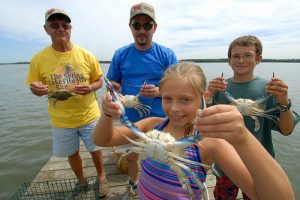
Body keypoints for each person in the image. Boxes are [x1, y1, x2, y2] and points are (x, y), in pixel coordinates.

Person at [94, 62, 295, 200]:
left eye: (185, 99)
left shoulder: (209, 143)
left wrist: (243, 139)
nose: (174, 108)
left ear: (203, 98)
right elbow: (104, 139)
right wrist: (108, 114)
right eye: (167, 98)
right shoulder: (150, 125)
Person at [26, 8, 108, 198]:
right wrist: (36, 89)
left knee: (95, 149)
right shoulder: (38, 59)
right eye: (54, 25)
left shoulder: (86, 55)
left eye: (65, 25)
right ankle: (81, 181)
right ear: (46, 29)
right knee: (72, 153)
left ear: (70, 28)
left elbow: (99, 80)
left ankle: (102, 176)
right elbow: (34, 85)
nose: (60, 28)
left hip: (89, 114)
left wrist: (89, 88)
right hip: (61, 120)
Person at [207, 35, 299, 200]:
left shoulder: (269, 90)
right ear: (229, 61)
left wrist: (284, 101)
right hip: (225, 164)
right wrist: (207, 96)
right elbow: (203, 125)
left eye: (247, 55)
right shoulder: (220, 89)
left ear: (258, 59)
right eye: (236, 56)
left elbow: (286, 130)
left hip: (258, 164)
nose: (241, 60)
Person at [106, 2, 178, 197]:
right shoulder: (121, 54)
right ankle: (133, 182)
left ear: (155, 28)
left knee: (164, 158)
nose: (142, 30)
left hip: (161, 118)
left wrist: (158, 91)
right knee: (131, 155)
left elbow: (179, 87)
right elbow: (112, 81)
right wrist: (114, 88)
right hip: (131, 119)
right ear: (130, 27)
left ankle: (163, 189)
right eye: (137, 25)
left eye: (147, 25)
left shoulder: (167, 55)